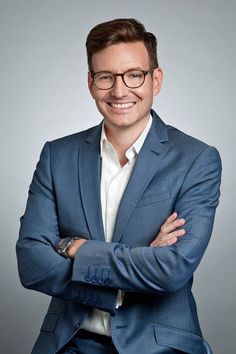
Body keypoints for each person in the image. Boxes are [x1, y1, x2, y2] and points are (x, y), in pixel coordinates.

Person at [16, 18, 221, 354]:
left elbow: (172, 270)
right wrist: (135, 269)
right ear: (91, 83)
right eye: (106, 77)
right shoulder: (57, 156)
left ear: (156, 80)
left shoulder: (197, 160)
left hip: (160, 347)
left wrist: (75, 248)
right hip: (70, 342)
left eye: (134, 75)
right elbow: (31, 263)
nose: (119, 90)